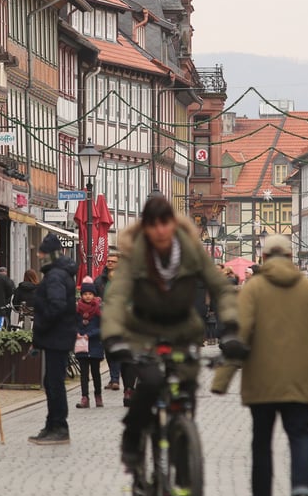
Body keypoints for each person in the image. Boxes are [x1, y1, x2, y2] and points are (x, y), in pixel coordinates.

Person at [102, 196, 241, 467]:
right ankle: (132, 438)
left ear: (172, 223)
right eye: (153, 225)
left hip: (183, 330)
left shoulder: (190, 250)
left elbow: (220, 288)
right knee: (151, 382)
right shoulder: (136, 254)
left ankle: (182, 443)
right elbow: (117, 298)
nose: (160, 231)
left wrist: (232, 328)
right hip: (144, 331)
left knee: (186, 386)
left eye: (165, 223)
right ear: (146, 228)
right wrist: (114, 336)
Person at [212, 235, 308, 496]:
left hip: (261, 382)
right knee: (301, 433)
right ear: (290, 257)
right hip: (301, 380)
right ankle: (301, 488)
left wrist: (221, 380)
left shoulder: (253, 289)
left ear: (263, 258)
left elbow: (239, 334)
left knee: (261, 441)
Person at [28, 233, 79, 445]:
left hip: (57, 337)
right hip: (58, 336)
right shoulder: (58, 274)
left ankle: (59, 426)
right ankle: (52, 424)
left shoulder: (56, 276)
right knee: (51, 381)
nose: (39, 256)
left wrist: (42, 325)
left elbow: (56, 306)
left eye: (42, 253)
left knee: (54, 382)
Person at [74, 281, 104, 409]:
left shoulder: (99, 309)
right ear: (81, 295)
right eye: (85, 294)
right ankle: (85, 397)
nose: (87, 296)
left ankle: (98, 395)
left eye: (90, 294)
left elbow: (102, 327)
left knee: (96, 372)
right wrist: (76, 333)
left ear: (94, 295)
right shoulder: (77, 309)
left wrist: (89, 334)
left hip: (95, 344)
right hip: (81, 345)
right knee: (84, 373)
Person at [96, 252, 123, 390]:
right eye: (108, 261)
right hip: (104, 320)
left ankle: (115, 379)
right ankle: (114, 378)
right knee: (108, 350)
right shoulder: (100, 280)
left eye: (113, 261)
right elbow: (94, 297)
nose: (110, 263)